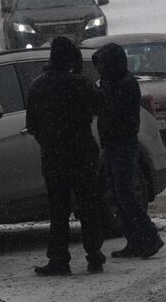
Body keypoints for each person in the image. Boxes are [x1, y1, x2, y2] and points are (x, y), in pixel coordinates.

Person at [26, 36, 106, 276]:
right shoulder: (81, 84)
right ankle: (94, 256)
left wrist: (49, 141)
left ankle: (59, 259)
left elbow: (32, 125)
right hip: (82, 154)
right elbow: (102, 105)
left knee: (58, 212)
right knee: (89, 208)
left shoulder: (38, 86)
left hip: (54, 158)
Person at [93, 43, 164, 259]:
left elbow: (113, 111)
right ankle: (135, 240)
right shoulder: (114, 81)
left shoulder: (123, 83)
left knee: (125, 194)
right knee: (119, 193)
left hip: (123, 143)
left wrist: (101, 99)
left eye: (103, 64)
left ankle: (149, 236)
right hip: (115, 143)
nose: (101, 69)